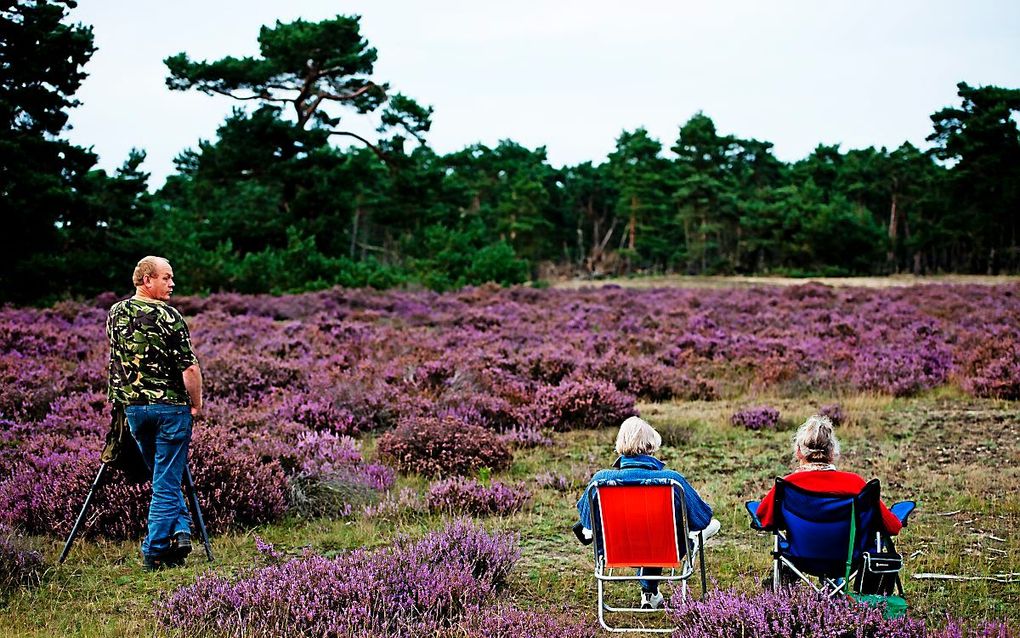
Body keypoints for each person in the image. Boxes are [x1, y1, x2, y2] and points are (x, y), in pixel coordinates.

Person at [107, 256, 203, 571]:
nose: (172, 283)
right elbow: (189, 366)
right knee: (165, 482)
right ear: (147, 280)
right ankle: (155, 551)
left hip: (134, 410)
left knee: (163, 476)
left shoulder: (116, 313)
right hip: (170, 410)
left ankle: (181, 530)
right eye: (166, 277)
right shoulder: (168, 316)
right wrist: (197, 404)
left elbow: (117, 360)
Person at [575, 416, 720, 610]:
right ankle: (653, 588)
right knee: (684, 529)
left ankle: (649, 592)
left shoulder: (600, 481)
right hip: (665, 548)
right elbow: (702, 519)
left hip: (618, 549)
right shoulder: (672, 481)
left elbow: (587, 523)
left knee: (643, 532)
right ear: (652, 445)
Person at [755, 415, 902, 535]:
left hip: (799, 558)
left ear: (799, 452)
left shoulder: (787, 485)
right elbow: (892, 527)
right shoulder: (855, 484)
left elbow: (763, 519)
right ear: (832, 452)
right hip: (849, 559)